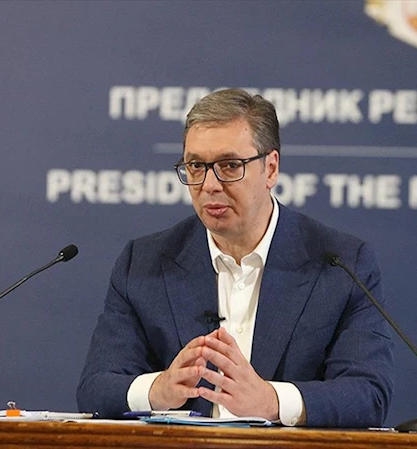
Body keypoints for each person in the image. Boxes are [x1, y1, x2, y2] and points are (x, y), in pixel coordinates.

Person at [76, 88, 393, 428]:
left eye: (229, 166)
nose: (209, 184)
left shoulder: (340, 264)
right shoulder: (143, 264)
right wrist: (158, 390)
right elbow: (96, 387)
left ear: (271, 169)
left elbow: (368, 394)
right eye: (196, 166)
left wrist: (272, 401)